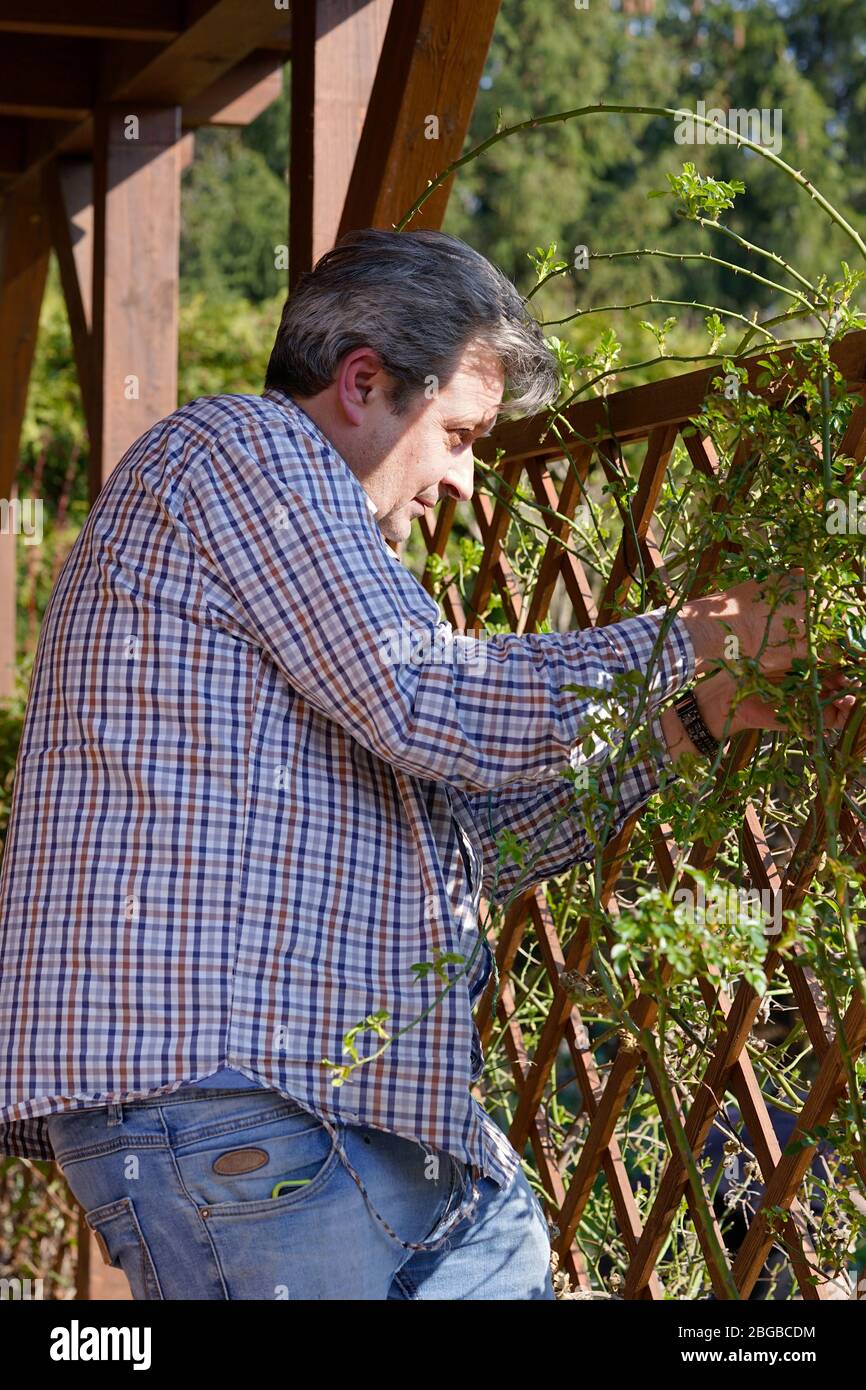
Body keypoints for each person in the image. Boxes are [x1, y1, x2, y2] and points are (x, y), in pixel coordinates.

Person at [0, 229, 854, 1300]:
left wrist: (691, 714)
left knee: (504, 1253)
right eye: (458, 434)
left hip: (340, 1113)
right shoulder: (241, 453)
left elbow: (460, 842)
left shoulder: (310, 567)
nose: (462, 480)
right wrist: (708, 631)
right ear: (363, 381)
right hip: (239, 1096)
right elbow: (430, 697)